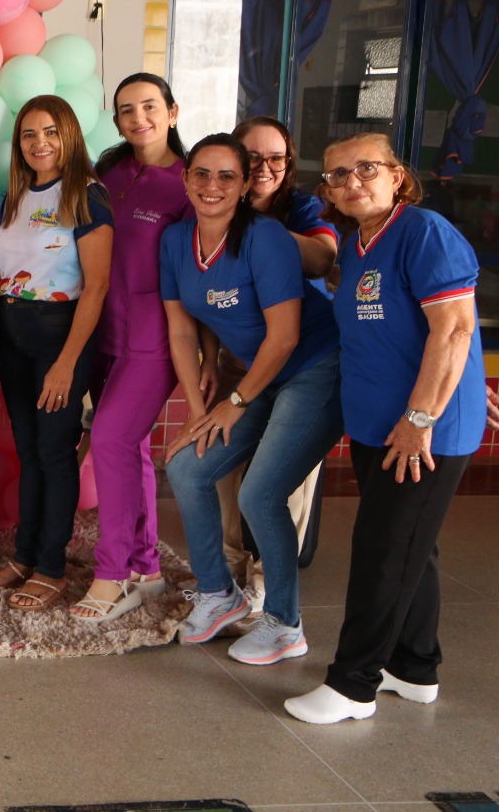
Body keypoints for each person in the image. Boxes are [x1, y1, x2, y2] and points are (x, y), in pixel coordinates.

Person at [285, 133, 485, 724]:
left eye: (367, 169)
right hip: (378, 426)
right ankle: (414, 667)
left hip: (422, 432)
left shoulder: (425, 234)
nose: (351, 182)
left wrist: (423, 418)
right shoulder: (356, 246)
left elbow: (455, 329)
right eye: (337, 175)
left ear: (397, 176)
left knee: (383, 550)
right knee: (411, 548)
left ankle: (353, 685)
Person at [160, 134, 344, 663]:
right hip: (260, 376)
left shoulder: (266, 238)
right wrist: (198, 412)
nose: (212, 185)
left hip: (316, 368)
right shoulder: (175, 240)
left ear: (244, 186)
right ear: (186, 179)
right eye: (201, 173)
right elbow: (181, 331)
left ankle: (285, 624)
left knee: (260, 495)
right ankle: (219, 594)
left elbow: (284, 337)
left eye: (227, 176)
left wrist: (234, 402)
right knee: (187, 467)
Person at [0, 96, 111, 610]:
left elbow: (96, 287)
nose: (40, 143)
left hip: (60, 339)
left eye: (51, 131)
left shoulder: (86, 194)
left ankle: (51, 568)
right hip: (12, 337)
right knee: (28, 451)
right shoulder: (15, 195)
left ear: (69, 135)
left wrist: (67, 363)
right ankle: (24, 557)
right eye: (29, 134)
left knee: (55, 455)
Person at [71, 72, 193, 622]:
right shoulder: (110, 172)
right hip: (100, 329)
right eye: (126, 109)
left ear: (172, 111)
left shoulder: (189, 183)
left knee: (110, 437)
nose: (138, 117)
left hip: (153, 338)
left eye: (149, 106)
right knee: (132, 447)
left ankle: (113, 574)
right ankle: (145, 565)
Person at [214, 116, 340, 610]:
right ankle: (228, 572)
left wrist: (252, 227)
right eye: (253, 158)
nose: (264, 168)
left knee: (285, 478)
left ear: (288, 164)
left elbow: (323, 259)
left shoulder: (302, 208)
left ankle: (268, 582)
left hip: (304, 363)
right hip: (238, 362)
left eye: (276, 158)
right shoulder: (212, 202)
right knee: (222, 467)